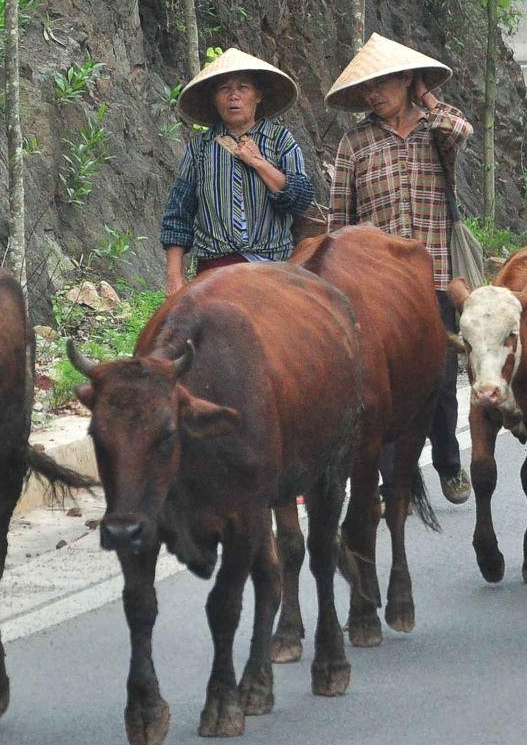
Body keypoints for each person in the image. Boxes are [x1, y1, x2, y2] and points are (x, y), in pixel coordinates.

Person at [324, 32, 475, 504]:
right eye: (367, 87)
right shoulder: (355, 143)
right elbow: (339, 219)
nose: (373, 94)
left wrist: (425, 96)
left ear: (406, 80)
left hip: (434, 275)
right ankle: (396, 485)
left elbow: (463, 131)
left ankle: (449, 461)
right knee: (382, 387)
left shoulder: (437, 130)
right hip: (378, 285)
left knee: (441, 378)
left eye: (383, 83)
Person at [158, 48, 314, 297]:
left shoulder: (280, 140)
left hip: (272, 270)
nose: (234, 96)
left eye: (243, 88)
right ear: (214, 99)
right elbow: (178, 214)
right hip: (215, 273)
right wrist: (174, 277)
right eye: (224, 89)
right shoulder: (200, 149)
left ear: (258, 95)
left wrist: (259, 162)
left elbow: (300, 199)